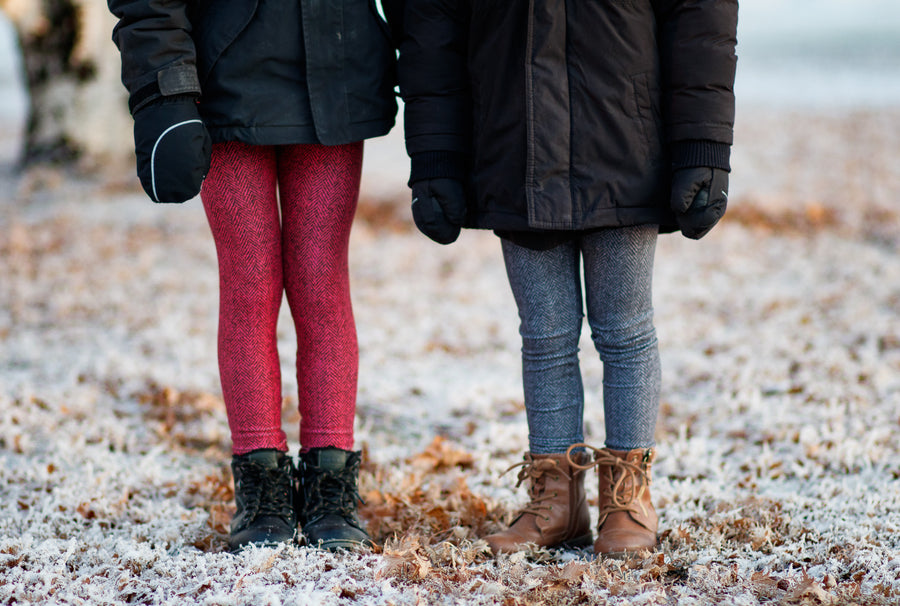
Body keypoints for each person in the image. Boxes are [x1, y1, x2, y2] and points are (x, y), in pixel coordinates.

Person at [398, 0, 737, 558]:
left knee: (625, 330)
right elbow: (432, 21)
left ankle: (628, 499)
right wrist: (436, 153)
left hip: (626, 136)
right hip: (513, 139)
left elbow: (701, 16)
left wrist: (704, 145)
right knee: (545, 334)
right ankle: (556, 503)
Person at [107, 0, 403, 552]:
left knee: (321, 280)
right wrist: (164, 91)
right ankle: (261, 485)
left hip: (337, 74)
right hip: (222, 79)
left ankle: (330, 487)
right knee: (250, 281)